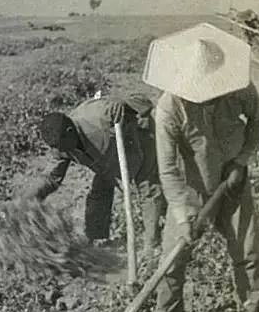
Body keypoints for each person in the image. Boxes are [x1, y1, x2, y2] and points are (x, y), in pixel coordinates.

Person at [143, 22, 259, 312]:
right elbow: (167, 169)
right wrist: (183, 215)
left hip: (232, 181)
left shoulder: (239, 88)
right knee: (172, 259)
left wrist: (241, 160)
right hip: (189, 189)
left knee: (248, 252)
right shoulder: (169, 108)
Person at [29, 95, 166, 253]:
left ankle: (151, 245)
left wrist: (123, 105)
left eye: (59, 146)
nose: (58, 152)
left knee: (148, 189)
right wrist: (24, 203)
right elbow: (51, 178)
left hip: (139, 140)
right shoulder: (62, 144)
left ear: (70, 131)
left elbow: (145, 103)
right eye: (54, 147)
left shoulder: (100, 115)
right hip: (107, 159)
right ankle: (97, 239)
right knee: (100, 191)